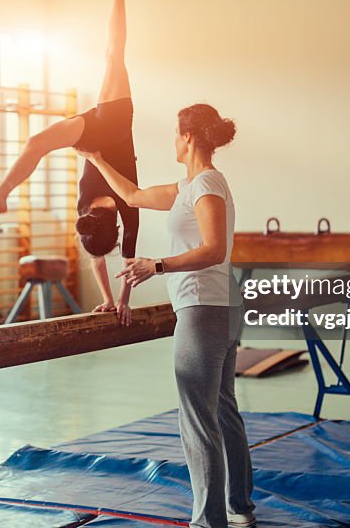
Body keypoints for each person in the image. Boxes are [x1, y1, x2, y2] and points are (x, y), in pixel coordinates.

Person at [78, 103, 256, 528]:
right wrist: (96, 158)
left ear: (189, 137)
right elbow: (133, 196)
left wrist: (156, 265)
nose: (172, 141)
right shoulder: (189, 185)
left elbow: (214, 249)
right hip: (217, 307)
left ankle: (208, 522)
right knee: (223, 409)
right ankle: (240, 510)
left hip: (204, 308)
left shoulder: (207, 184)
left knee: (199, 418)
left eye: (176, 134)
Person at [0, 0, 139, 324]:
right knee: (114, 53)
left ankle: (1, 194)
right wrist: (122, 301)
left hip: (98, 130)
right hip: (112, 126)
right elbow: (127, 264)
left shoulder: (92, 216)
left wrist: (114, 302)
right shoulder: (127, 205)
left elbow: (106, 259)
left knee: (36, 142)